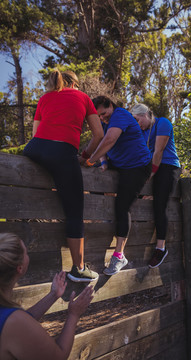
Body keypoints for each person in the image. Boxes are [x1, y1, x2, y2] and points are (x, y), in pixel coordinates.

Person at [23, 70, 104, 282]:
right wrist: (85, 157)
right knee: (75, 212)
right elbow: (99, 135)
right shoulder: (84, 98)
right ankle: (78, 269)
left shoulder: (45, 97)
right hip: (63, 151)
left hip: (34, 149)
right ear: (74, 84)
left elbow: (36, 134)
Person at [0, 232, 94, 360]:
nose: (28, 255)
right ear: (20, 268)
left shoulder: (11, 318)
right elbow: (58, 356)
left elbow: (22, 321)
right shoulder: (14, 321)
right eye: (26, 252)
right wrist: (74, 315)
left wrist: (53, 295)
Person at [90, 96, 152, 276]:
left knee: (122, 206)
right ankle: (105, 219)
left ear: (111, 105)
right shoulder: (103, 122)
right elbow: (101, 141)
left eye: (103, 113)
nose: (102, 118)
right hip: (121, 164)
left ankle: (119, 256)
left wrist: (89, 158)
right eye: (99, 116)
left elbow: (109, 140)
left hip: (138, 166)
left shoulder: (120, 114)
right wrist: (101, 161)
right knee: (93, 173)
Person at [130, 104, 181, 268]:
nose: (138, 124)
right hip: (150, 166)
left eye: (138, 120)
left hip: (167, 166)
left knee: (160, 204)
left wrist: (150, 175)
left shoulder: (163, 123)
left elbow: (158, 152)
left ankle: (161, 247)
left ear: (146, 114)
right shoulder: (142, 132)